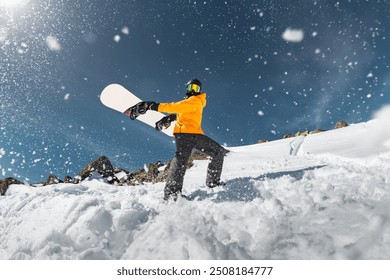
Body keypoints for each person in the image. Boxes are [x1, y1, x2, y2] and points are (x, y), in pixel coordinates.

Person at [126, 78, 228, 201]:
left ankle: (175, 192)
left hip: (190, 134)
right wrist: (168, 118)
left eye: (196, 88)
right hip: (188, 135)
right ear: (187, 88)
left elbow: (177, 107)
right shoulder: (192, 102)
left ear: (200, 91)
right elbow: (179, 110)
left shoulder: (196, 101)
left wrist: (152, 107)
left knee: (188, 159)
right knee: (208, 154)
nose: (193, 91)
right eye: (191, 88)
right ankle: (174, 192)